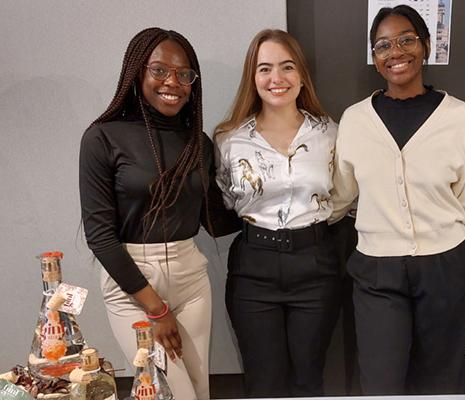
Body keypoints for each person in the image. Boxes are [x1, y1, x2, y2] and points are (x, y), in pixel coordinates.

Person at [329, 5, 465, 395]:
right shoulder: (355, 120)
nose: (395, 52)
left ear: (425, 46)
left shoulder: (461, 118)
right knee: (380, 383)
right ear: (374, 58)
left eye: (406, 39)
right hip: (376, 271)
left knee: (439, 382)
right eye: (382, 45)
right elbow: (341, 195)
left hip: (447, 269)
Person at [79, 27, 239, 400]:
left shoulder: (196, 142)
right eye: (160, 71)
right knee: (171, 392)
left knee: (199, 390)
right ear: (137, 73)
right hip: (133, 284)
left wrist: (270, 203)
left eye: (185, 75)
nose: (174, 82)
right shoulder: (102, 138)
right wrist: (156, 308)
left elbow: (212, 221)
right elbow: (100, 235)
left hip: (190, 277)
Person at [214, 29, 340, 397]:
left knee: (308, 380)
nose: (276, 79)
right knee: (263, 382)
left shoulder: (330, 134)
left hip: (316, 265)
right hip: (254, 269)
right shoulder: (229, 139)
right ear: (253, 79)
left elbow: (344, 194)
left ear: (302, 75)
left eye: (287, 67)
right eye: (264, 69)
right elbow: (224, 199)